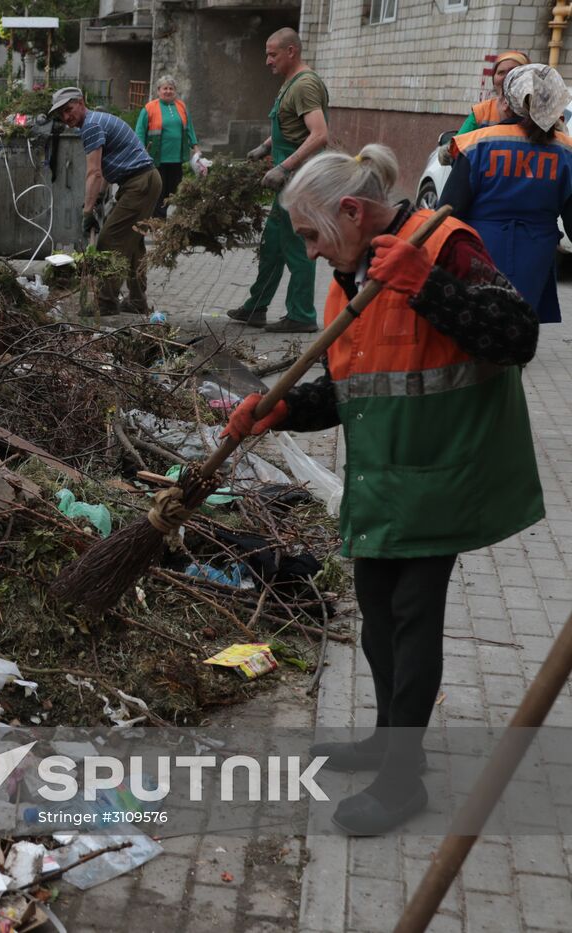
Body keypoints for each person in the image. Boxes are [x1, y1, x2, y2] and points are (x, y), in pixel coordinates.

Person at [222, 144, 542, 835]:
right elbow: (354, 384)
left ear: (352, 210)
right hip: (384, 467)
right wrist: (285, 409)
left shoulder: (444, 245)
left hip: (442, 467)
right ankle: (385, 736)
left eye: (311, 234)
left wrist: (427, 282)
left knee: (412, 615)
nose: (308, 252)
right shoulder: (350, 273)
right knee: (376, 608)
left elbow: (517, 336)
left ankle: (402, 779)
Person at [438, 63, 572, 324]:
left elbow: (448, 211)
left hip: (479, 251)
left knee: (476, 325)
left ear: (508, 102)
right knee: (517, 328)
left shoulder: (476, 144)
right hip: (536, 254)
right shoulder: (567, 152)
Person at [227, 27, 330, 333]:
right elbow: (290, 126)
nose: (268, 61)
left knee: (297, 246)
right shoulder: (290, 84)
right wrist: (265, 146)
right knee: (273, 244)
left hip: (298, 184)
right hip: (287, 185)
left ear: (291, 52)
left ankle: (301, 315)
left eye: (272, 54)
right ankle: (256, 307)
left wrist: (284, 167)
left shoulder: (305, 85)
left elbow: (320, 134)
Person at [48, 86, 161, 317]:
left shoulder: (90, 125)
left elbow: (94, 173)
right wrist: (98, 199)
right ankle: (138, 301)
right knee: (133, 244)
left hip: (139, 183)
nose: (66, 117)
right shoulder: (98, 120)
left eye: (68, 109)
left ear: (81, 101)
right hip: (145, 181)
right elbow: (110, 168)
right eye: (61, 114)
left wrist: (88, 212)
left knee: (110, 241)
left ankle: (106, 303)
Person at [134, 75, 205, 218]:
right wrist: (140, 151)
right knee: (159, 190)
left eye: (171, 88)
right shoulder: (150, 108)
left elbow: (189, 128)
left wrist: (196, 147)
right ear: (158, 91)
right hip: (156, 158)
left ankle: (160, 218)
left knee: (172, 191)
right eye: (164, 88)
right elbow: (140, 131)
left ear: (175, 91)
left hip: (176, 158)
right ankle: (158, 221)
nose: (168, 91)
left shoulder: (181, 106)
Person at [457, 50, 529, 132]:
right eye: (501, 72)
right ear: (493, 79)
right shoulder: (482, 112)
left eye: (513, 72)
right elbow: (459, 143)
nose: (506, 78)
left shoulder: (537, 111)